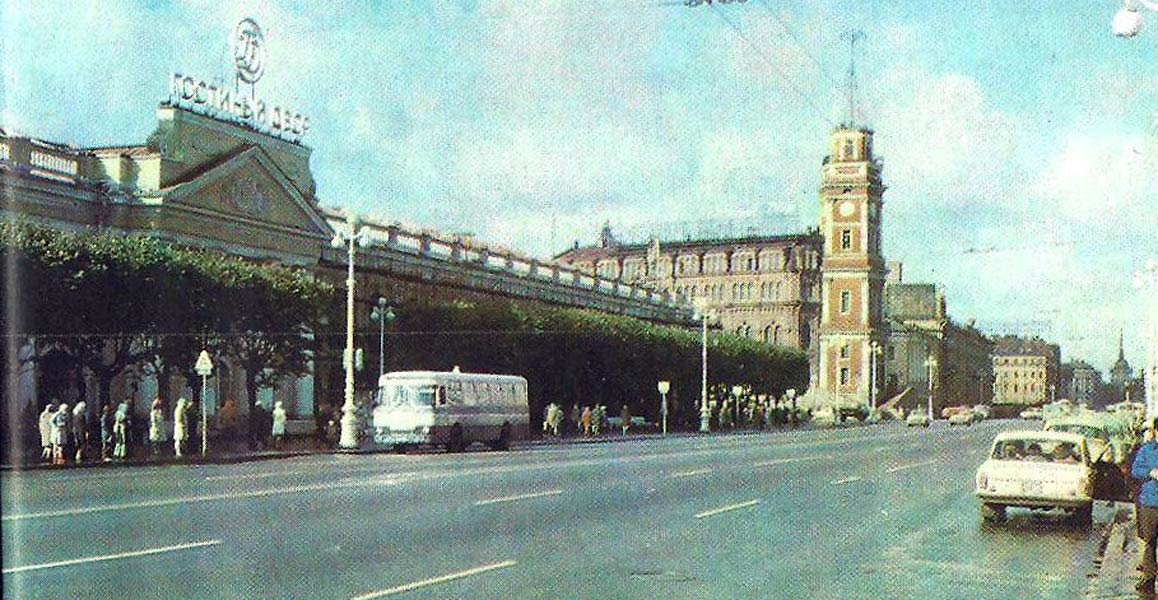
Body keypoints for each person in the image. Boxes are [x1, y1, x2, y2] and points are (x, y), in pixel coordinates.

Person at [1132, 419, 1158, 592]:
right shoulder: (1147, 450)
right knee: (1149, 541)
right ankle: (1149, 576)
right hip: (1150, 501)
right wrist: (1150, 473)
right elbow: (1136, 471)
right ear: (1155, 431)